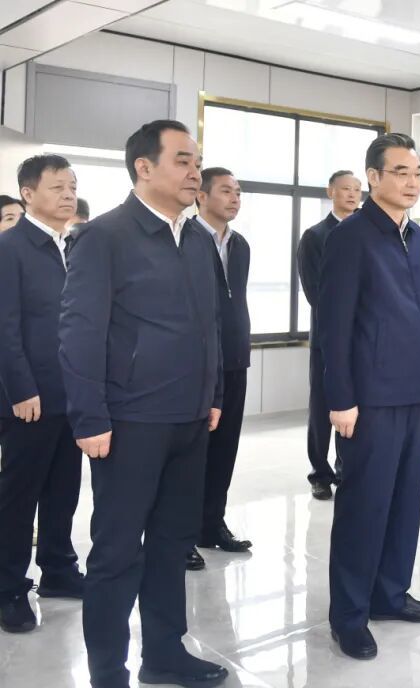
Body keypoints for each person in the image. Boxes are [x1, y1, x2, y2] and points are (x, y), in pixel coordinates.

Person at [59, 120, 228, 688]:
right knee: (116, 552)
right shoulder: (104, 236)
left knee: (172, 544)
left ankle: (163, 654)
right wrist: (89, 416)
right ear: (144, 167)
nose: (195, 171)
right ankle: (108, 671)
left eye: (197, 161)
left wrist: (213, 394)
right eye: (182, 160)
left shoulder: (198, 239)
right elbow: (79, 332)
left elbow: (210, 324)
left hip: (189, 418)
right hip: (129, 421)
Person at [319, 133, 420, 661]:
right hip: (369, 399)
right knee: (363, 507)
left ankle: (390, 594)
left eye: (417, 173)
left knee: (405, 502)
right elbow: (333, 325)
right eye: (400, 172)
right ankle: (349, 616)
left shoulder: (417, 237)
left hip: (415, 394)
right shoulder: (351, 237)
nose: (412, 183)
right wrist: (340, 397)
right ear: (373, 177)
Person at [0, 155, 84, 634]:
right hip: (29, 398)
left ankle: (58, 569)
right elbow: (5, 326)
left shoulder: (72, 245)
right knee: (19, 497)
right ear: (28, 194)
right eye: (57, 187)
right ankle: (9, 588)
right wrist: (21, 388)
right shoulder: (11, 247)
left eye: (72, 186)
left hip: (72, 394)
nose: (68, 194)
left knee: (63, 489)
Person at [189, 167, 252, 572]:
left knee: (225, 448)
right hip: (198, 363)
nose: (234, 199)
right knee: (194, 452)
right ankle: (182, 533)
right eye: (226, 191)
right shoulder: (187, 239)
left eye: (238, 192)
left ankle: (212, 524)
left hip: (234, 357)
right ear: (201, 195)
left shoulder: (240, 244)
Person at [297, 170, 361, 500]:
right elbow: (315, 292)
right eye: (345, 189)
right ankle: (319, 473)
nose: (352, 195)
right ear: (330, 192)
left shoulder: (366, 231)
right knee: (323, 406)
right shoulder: (315, 236)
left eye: (357, 189)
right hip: (327, 336)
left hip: (362, 339)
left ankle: (345, 468)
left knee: (355, 406)